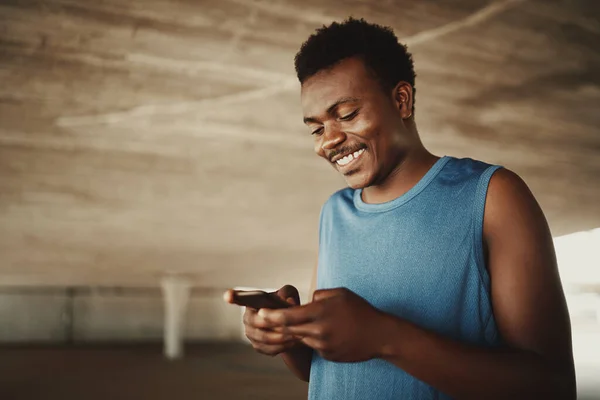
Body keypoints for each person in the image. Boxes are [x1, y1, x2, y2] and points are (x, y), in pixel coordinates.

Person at [227, 17, 576, 399]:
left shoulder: (492, 196)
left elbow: (551, 385)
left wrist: (385, 336)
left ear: (401, 100)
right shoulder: (334, 213)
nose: (328, 141)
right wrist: (290, 337)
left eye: (345, 115)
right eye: (316, 128)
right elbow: (329, 370)